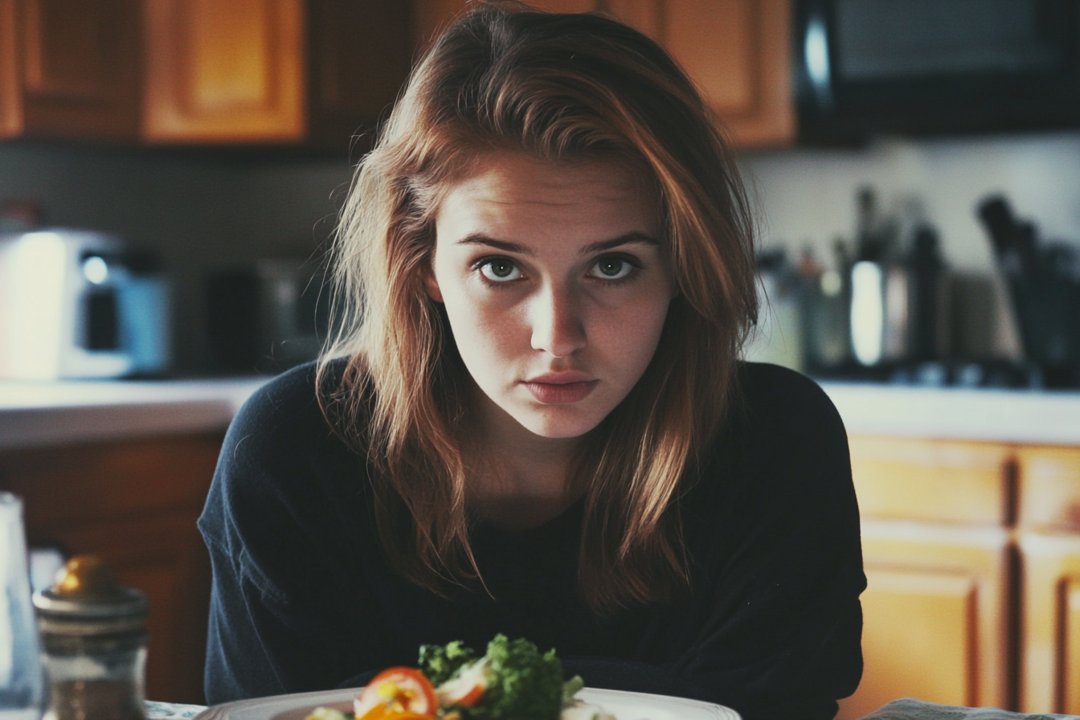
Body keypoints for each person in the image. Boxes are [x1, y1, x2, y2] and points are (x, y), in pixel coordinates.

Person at [197, 3, 865, 719]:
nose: (558, 336)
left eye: (613, 265)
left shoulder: (774, 440)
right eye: (499, 267)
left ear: (683, 264)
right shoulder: (296, 451)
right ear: (422, 264)